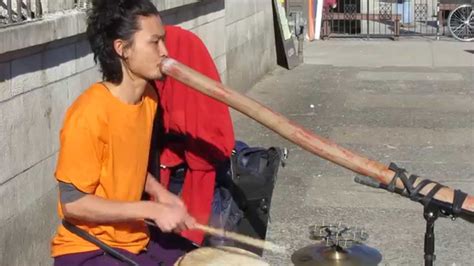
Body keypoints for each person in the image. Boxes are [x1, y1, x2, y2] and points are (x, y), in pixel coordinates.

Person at [51, 0, 196, 265]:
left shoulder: (149, 98)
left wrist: (162, 194)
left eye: (163, 41)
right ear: (123, 49)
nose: (165, 51)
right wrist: (150, 208)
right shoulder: (89, 113)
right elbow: (73, 204)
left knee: (201, 255)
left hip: (134, 237)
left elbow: (128, 166)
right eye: (154, 42)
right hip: (87, 248)